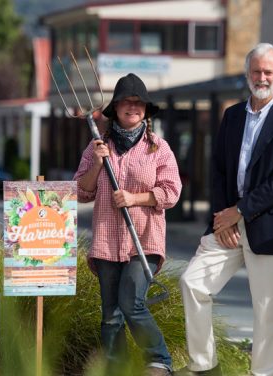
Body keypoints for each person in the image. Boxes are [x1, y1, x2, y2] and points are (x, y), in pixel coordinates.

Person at [177, 43, 273, 376]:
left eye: (268, 72)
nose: (262, 77)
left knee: (269, 310)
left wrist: (241, 210)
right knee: (192, 283)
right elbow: (218, 168)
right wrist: (224, 216)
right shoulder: (232, 115)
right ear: (247, 74)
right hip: (227, 225)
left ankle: (264, 373)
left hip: (267, 227)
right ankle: (205, 367)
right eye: (256, 71)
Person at [73, 73, 182, 376]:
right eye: (126, 102)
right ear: (116, 108)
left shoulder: (158, 148)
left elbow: (171, 192)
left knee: (131, 303)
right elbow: (81, 191)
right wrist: (96, 164)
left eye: (138, 103)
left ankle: (159, 360)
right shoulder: (98, 146)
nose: (132, 107)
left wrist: (135, 198)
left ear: (146, 110)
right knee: (110, 315)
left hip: (143, 240)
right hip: (107, 242)